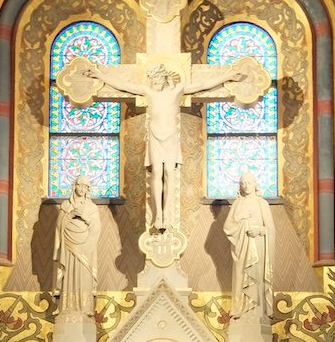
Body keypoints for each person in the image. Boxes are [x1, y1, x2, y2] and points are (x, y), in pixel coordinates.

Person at [87, 61, 244, 231]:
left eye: (157, 80)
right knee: (156, 172)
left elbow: (203, 85)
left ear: (164, 78)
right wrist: (100, 75)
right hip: (155, 134)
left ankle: (167, 213)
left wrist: (227, 76)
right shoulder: (148, 91)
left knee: (170, 172)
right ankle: (158, 215)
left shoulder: (177, 90)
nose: (154, 84)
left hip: (170, 136)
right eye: (152, 81)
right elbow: (124, 86)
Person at [224, 170, 275, 319]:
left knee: (257, 275)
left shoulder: (262, 203)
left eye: (249, 183)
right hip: (242, 246)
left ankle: (258, 311)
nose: (246, 186)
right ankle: (239, 308)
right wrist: (241, 218)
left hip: (258, 244)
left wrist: (260, 230)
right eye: (243, 183)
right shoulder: (237, 204)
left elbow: (270, 228)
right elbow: (228, 226)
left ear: (255, 184)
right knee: (240, 276)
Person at [52, 176, 100, 314]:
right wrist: (70, 215)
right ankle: (67, 307)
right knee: (69, 273)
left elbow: (97, 228)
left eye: (85, 186)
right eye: (79, 185)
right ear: (75, 186)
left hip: (86, 245)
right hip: (68, 243)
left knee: (84, 274)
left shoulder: (92, 207)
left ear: (88, 190)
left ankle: (85, 307)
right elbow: (59, 226)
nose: (82, 189)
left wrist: (86, 218)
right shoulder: (66, 205)